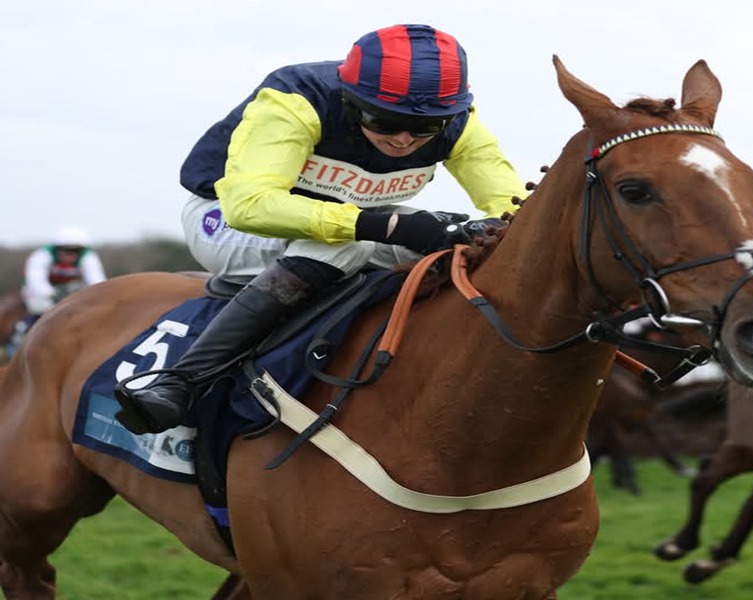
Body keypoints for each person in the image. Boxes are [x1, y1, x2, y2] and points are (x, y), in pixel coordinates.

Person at [114, 23, 529, 435]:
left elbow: (513, 209)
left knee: (455, 247)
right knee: (343, 247)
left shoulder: (458, 122)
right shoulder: (296, 98)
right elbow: (249, 205)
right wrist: (382, 225)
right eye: (383, 120)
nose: (404, 140)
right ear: (350, 100)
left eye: (425, 128)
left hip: (348, 226)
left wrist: (482, 230)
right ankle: (180, 383)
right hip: (225, 219)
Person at [8, 225, 107, 356]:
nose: (71, 254)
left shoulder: (88, 257)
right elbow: (35, 279)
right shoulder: (42, 255)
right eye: (66, 250)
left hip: (68, 289)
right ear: (57, 249)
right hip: (39, 290)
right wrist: (50, 294)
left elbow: (96, 280)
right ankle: (21, 333)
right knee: (41, 307)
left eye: (76, 251)